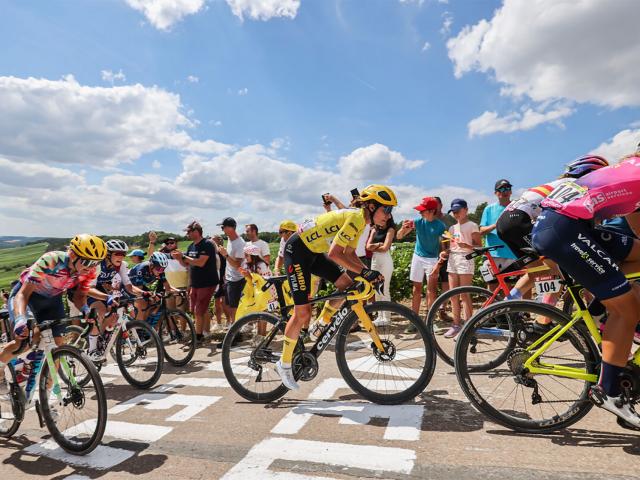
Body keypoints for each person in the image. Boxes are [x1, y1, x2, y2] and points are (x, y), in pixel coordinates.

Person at [531, 153, 640, 427]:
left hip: (568, 225)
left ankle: (604, 301)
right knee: (627, 312)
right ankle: (610, 391)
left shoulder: (630, 169)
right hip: (564, 229)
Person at [275, 184, 397, 390]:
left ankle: (322, 322)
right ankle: (284, 363)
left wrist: (368, 273)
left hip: (313, 252)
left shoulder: (362, 222)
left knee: (347, 285)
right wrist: (365, 272)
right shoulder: (357, 218)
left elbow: (348, 254)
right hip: (296, 251)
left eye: (391, 210)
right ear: (371, 206)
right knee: (302, 313)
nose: (389, 215)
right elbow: (335, 254)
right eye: (386, 209)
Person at [0, 234, 106, 373]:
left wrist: (86, 310)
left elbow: (80, 296)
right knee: (25, 342)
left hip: (52, 300)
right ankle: (6, 364)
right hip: (28, 297)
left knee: (58, 344)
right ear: (73, 255)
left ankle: (48, 388)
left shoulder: (91, 270)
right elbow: (23, 294)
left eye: (96, 262)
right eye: (87, 262)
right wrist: (20, 319)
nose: (91, 267)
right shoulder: (52, 260)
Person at [85, 239, 147, 360]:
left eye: (123, 254)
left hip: (104, 290)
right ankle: (92, 349)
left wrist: (143, 293)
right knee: (100, 312)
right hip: (89, 290)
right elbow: (89, 288)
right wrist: (107, 297)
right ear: (108, 254)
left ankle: (103, 338)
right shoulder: (97, 265)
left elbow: (128, 286)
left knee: (115, 316)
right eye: (118, 253)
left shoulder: (121, 266)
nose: (121, 257)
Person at [397, 197, 447, 321]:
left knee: (431, 291)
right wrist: (403, 229)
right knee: (416, 289)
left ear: (431, 211)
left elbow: (446, 246)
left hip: (432, 259)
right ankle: (414, 320)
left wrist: (441, 259)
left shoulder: (440, 226)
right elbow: (399, 237)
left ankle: (430, 321)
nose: (420, 212)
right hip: (417, 257)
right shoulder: (417, 222)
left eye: (422, 210)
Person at [172, 221, 219, 344]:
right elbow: (186, 264)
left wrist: (183, 257)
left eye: (188, 232)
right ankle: (203, 332)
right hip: (196, 283)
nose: (187, 234)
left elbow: (200, 262)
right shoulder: (191, 246)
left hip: (207, 282)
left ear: (196, 231)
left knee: (199, 310)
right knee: (195, 310)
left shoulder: (207, 244)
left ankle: (198, 337)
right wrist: (179, 259)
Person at [444, 198, 481, 338]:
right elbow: (452, 246)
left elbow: (479, 246)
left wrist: (467, 246)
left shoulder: (472, 225)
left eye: (458, 211)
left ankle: (468, 326)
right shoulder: (452, 228)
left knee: (464, 294)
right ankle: (456, 324)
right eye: (454, 212)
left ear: (466, 210)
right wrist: (445, 252)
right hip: (453, 259)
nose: (456, 214)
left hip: (466, 259)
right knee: (453, 294)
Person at [480, 179, 518, 274]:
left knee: (512, 286)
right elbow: (481, 231)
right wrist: (495, 225)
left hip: (513, 253)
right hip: (492, 254)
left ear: (511, 191)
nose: (505, 191)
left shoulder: (517, 207)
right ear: (495, 193)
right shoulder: (489, 209)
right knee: (491, 286)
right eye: (501, 189)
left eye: (507, 188)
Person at [128, 251, 178, 322]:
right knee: (142, 303)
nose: (161, 271)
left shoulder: (159, 270)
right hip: (130, 286)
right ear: (151, 265)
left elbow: (167, 286)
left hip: (140, 286)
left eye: (163, 269)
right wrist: (152, 296)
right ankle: (139, 326)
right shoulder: (142, 269)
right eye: (159, 269)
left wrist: (179, 291)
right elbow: (139, 290)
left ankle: (148, 327)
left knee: (156, 303)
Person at [366, 214, 396, 325]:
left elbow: (385, 248)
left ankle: (386, 318)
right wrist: (378, 244)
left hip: (385, 260)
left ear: (389, 218)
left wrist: (374, 246)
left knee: (384, 288)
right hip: (375, 260)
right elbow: (367, 246)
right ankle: (380, 317)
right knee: (376, 288)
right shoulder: (374, 229)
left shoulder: (391, 229)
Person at [217, 217, 246, 325]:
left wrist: (225, 255)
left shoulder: (240, 243)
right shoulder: (230, 239)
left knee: (234, 308)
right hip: (230, 278)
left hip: (237, 280)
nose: (222, 229)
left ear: (231, 228)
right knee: (228, 305)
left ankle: (235, 333)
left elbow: (237, 265)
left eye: (223, 227)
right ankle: (234, 329)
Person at [212, 235, 231, 331]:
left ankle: (229, 321)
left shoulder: (223, 251)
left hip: (224, 278)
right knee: (216, 303)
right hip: (215, 279)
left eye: (213, 239)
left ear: (219, 241)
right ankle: (219, 323)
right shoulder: (212, 252)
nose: (211, 241)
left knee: (224, 303)